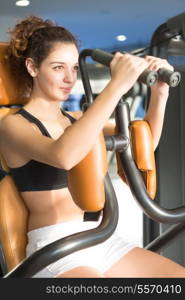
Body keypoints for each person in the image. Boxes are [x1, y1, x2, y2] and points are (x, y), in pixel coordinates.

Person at [0, 15, 184, 278]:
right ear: (32, 67)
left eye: (74, 68)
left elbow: (143, 145)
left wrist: (160, 93)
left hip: (101, 238)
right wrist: (116, 85)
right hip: (55, 247)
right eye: (58, 67)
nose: (69, 78)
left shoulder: (77, 120)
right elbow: (64, 156)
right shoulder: (13, 126)